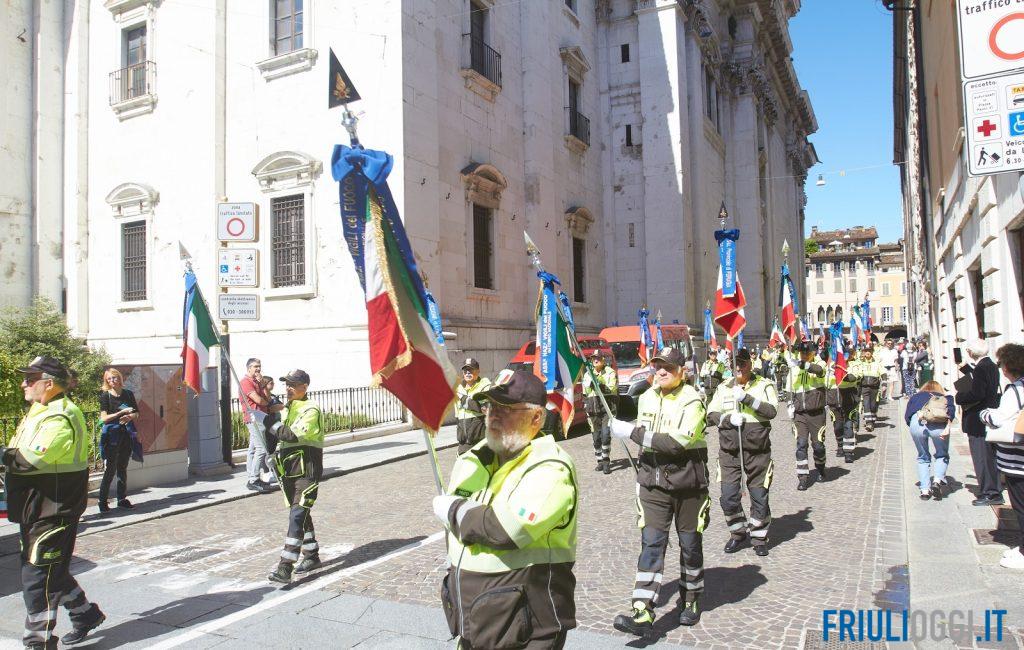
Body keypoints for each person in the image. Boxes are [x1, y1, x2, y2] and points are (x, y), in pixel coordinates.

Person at [433, 370, 578, 649]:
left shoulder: (551, 467)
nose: (494, 415)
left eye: (507, 408)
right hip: (474, 619)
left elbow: (507, 529)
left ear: (537, 418)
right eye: (491, 406)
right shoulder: (472, 460)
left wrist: (453, 510)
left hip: (525, 624)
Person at [1, 356, 105, 648]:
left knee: (37, 577)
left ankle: (38, 642)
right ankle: (86, 615)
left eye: (30, 378)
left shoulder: (61, 415)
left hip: (54, 509)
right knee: (50, 570)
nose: (24, 383)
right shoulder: (39, 409)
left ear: (48, 384)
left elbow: (27, 460)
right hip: (35, 507)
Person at [609, 347, 709, 633]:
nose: (661, 371)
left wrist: (633, 432)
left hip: (688, 484)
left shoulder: (694, 399)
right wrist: (630, 430)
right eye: (657, 365)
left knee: (690, 546)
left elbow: (677, 443)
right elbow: (646, 434)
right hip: (652, 484)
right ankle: (642, 610)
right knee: (651, 544)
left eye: (667, 366)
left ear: (682, 371)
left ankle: (691, 598)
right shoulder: (647, 397)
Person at [707, 348, 778, 556]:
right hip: (730, 451)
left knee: (759, 497)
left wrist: (747, 398)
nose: (738, 367)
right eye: (734, 363)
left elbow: (771, 411)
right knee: (728, 497)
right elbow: (711, 414)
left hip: (757, 451)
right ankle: (738, 532)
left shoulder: (764, 385)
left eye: (743, 363)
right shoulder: (723, 387)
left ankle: (759, 537)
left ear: (750, 364)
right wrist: (727, 419)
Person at [266, 369, 324, 584]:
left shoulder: (312, 408)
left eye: (292, 384)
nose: (288, 388)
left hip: (306, 472)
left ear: (304, 387)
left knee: (297, 515)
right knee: (301, 514)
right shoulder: (288, 408)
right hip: (289, 471)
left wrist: (269, 422)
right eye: (286, 384)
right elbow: (279, 439)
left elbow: (292, 435)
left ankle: (285, 566)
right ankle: (312, 555)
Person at [981, 344, 1024, 569]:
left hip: (1018, 460)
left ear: (1008, 366)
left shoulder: (1015, 390)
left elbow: (998, 419)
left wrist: (985, 414)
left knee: (1020, 504)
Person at [954, 339, 1004, 506]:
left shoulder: (982, 368)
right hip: (987, 416)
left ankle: (990, 493)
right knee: (988, 457)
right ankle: (992, 490)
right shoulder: (989, 365)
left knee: (982, 457)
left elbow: (977, 393)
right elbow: (981, 381)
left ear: (970, 352)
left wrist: (959, 397)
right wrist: (966, 369)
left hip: (978, 418)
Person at [98, 368, 140, 512]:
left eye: (114, 378)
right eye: (109, 379)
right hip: (112, 437)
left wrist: (130, 417)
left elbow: (136, 413)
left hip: (126, 434)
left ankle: (121, 499)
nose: (112, 381)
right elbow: (103, 419)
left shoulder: (128, 394)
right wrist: (121, 412)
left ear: (119, 378)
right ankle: (102, 501)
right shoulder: (105, 396)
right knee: (110, 469)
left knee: (122, 467)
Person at [904, 380, 955, 500]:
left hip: (918, 423)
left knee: (923, 456)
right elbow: (951, 414)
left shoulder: (916, 396)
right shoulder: (946, 397)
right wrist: (948, 428)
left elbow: (907, 416)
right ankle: (937, 480)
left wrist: (914, 427)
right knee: (942, 454)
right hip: (940, 424)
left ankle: (925, 491)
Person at [788, 341, 828, 489]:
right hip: (800, 414)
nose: (804, 355)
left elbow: (819, 371)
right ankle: (803, 477)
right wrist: (789, 404)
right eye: (802, 353)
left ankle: (820, 468)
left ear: (813, 353)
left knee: (818, 445)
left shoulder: (820, 363)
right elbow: (789, 388)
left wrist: (802, 364)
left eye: (806, 353)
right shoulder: (795, 368)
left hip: (816, 413)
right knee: (801, 444)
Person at [241, 359, 282, 493]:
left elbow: (268, 399)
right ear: (249, 368)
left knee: (253, 448)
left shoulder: (257, 382)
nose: (258, 369)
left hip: (261, 417)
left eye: (259, 366)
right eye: (255, 367)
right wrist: (266, 403)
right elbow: (259, 400)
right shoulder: (246, 382)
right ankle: (253, 479)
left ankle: (252, 476)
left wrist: (263, 386)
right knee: (261, 449)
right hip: (254, 418)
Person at [582, 351, 618, 474]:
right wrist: (586, 407)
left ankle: (606, 462)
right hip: (593, 410)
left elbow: (612, 388)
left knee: (605, 435)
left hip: (606, 408)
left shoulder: (610, 372)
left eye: (598, 358)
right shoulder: (587, 374)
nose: (595, 360)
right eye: (593, 359)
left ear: (603, 359)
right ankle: (600, 461)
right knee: (596, 437)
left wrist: (599, 384)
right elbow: (585, 393)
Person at [827, 346, 861, 465]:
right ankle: (840, 446)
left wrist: (842, 373)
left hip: (849, 401)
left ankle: (848, 452)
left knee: (848, 426)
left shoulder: (854, 365)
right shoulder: (830, 367)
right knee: (837, 426)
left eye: (845, 355)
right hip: (834, 400)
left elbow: (854, 377)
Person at [455, 358, 492, 454]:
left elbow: (484, 409)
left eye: (471, 370)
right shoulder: (458, 388)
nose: (467, 373)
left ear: (478, 371)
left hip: (480, 441)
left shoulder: (485, 386)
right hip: (463, 442)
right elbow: (457, 414)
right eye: (465, 370)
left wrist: (463, 399)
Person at [853, 347, 883, 431]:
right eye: (866, 351)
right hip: (864, 386)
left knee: (873, 405)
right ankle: (868, 422)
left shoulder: (876, 363)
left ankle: (872, 421)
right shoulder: (861, 362)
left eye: (869, 351)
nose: (867, 352)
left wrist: (884, 382)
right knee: (866, 404)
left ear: (872, 352)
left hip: (875, 387)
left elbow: (882, 371)